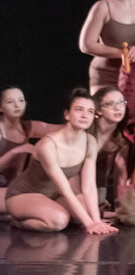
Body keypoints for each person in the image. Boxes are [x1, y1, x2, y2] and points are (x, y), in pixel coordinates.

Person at [4, 89, 118, 234]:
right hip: (23, 195)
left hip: (53, 195)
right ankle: (17, 222)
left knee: (87, 211)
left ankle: (52, 212)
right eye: (79, 110)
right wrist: (90, 224)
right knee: (59, 220)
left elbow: (88, 186)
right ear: (67, 114)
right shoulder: (48, 145)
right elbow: (65, 189)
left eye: (90, 111)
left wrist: (96, 220)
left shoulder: (90, 142)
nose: (85, 115)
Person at [0, 86, 63, 213]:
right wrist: (16, 151)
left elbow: (65, 130)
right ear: (1, 107)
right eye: (10, 102)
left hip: (15, 189)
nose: (17, 105)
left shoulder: (28, 127)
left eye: (21, 101)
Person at [89, 86, 130, 213]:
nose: (117, 108)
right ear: (99, 110)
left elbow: (122, 176)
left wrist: (122, 208)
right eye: (110, 104)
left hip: (96, 187)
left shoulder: (120, 141)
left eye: (121, 102)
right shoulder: (87, 133)